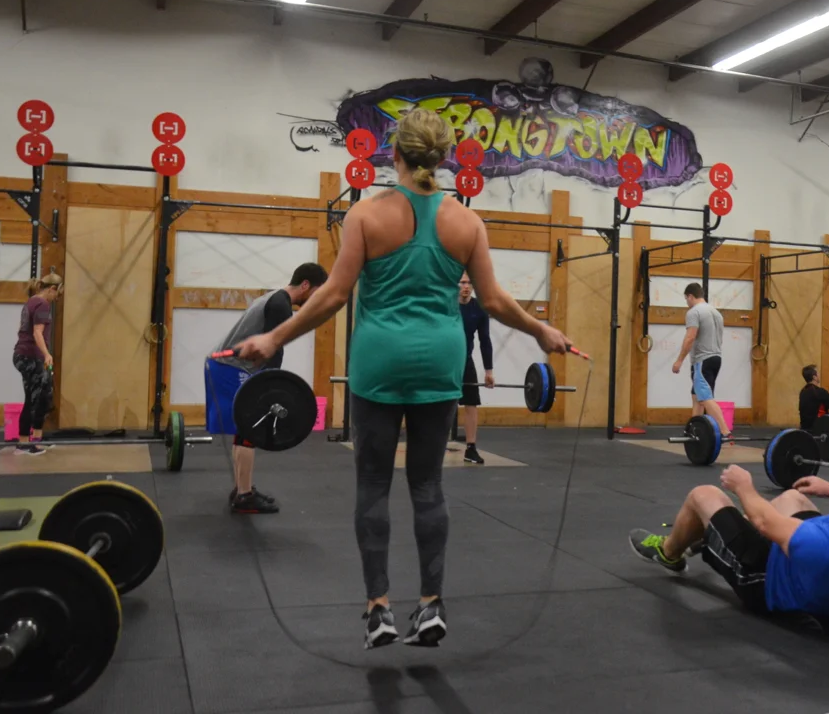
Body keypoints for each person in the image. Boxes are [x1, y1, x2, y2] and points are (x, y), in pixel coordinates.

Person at [233, 107, 574, 650]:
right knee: (427, 484)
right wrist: (540, 330)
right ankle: (432, 603)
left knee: (373, 484)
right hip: (440, 361)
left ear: (393, 154)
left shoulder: (367, 215)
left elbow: (335, 294)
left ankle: (379, 609)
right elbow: (492, 300)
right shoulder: (467, 222)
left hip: (380, 360)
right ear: (443, 158)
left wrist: (275, 338)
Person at [630, 464, 829, 617]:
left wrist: (743, 486)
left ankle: (670, 552)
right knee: (793, 498)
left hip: (766, 574)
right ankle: (713, 533)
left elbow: (765, 523)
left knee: (704, 495)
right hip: (825, 577)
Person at [207, 263, 328, 514]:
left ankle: (242, 489)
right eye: (317, 292)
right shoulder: (280, 305)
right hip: (229, 367)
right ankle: (244, 496)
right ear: (305, 285)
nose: (317, 299)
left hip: (225, 366)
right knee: (249, 429)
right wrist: (271, 387)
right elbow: (275, 349)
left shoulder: (274, 298)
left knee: (244, 429)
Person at [12, 272, 63, 454]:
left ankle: (37, 439)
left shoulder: (31, 302)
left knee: (44, 397)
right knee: (33, 399)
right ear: (52, 289)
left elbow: (20, 328)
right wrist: (47, 354)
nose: (57, 298)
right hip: (30, 357)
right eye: (57, 294)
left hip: (28, 356)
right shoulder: (42, 304)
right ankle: (23, 443)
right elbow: (37, 333)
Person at [673, 283, 728, 436]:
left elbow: (690, 337)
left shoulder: (694, 312)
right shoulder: (716, 313)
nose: (687, 302)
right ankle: (694, 430)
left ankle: (725, 431)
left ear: (690, 296)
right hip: (716, 358)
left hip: (702, 360)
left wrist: (679, 361)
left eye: (686, 299)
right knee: (697, 396)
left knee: (704, 398)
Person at [458, 273, 492, 465]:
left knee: (471, 403)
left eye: (470, 283)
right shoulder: (446, 306)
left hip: (465, 359)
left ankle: (470, 448)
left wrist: (489, 371)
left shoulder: (479, 308)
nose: (466, 286)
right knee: (439, 403)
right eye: (463, 282)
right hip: (444, 360)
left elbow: (484, 340)